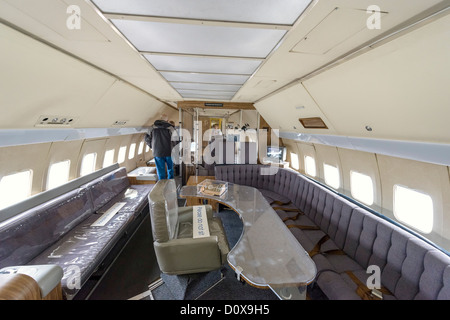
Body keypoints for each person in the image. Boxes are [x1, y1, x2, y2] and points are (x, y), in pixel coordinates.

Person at [145, 114, 175, 180]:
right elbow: (176, 140)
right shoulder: (171, 128)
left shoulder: (151, 128)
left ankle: (161, 186)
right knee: (170, 169)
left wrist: (152, 147)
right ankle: (171, 185)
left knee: (160, 171)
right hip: (169, 151)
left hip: (157, 152)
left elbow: (147, 139)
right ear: (167, 120)